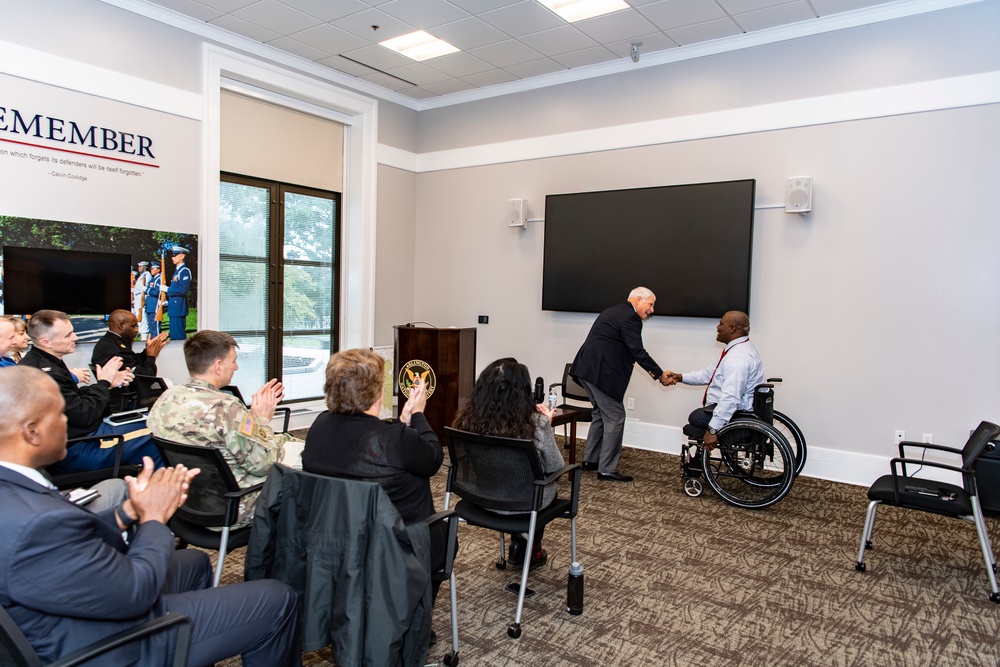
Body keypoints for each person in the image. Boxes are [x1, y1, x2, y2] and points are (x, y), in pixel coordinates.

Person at [0, 365, 302, 667]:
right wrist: (153, 518)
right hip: (108, 643)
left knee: (196, 562)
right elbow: (137, 592)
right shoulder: (35, 521)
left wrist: (126, 511)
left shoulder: (14, 489)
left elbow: (61, 540)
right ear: (32, 431)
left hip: (69, 605)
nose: (67, 422)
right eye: (60, 414)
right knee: (278, 598)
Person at [301, 348, 450, 601]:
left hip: (335, 537)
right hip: (394, 545)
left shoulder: (319, 426)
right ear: (377, 393)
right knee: (446, 536)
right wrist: (418, 414)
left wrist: (403, 426)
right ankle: (415, 615)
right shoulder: (395, 439)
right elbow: (433, 458)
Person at [146, 330, 299, 526]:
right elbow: (264, 464)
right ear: (218, 366)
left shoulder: (166, 398)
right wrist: (261, 420)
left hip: (186, 500)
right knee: (308, 476)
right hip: (235, 504)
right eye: (233, 360)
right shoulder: (226, 407)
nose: (236, 367)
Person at [452, 357, 565, 569]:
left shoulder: (467, 421)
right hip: (524, 503)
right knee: (544, 486)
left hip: (482, 496)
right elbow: (555, 467)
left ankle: (519, 544)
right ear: (523, 392)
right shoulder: (536, 424)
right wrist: (546, 425)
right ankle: (530, 548)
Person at [19, 310, 163, 473]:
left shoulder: (39, 362)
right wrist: (104, 382)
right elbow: (85, 414)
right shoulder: (48, 373)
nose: (75, 338)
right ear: (46, 342)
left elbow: (72, 402)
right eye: (68, 335)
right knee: (159, 433)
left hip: (73, 440)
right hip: (78, 447)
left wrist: (107, 384)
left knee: (151, 425)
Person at [569, 286, 675, 482]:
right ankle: (607, 469)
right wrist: (659, 374)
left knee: (600, 414)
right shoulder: (630, 317)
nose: (652, 310)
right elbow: (637, 351)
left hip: (587, 370)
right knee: (616, 417)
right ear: (637, 300)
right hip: (601, 373)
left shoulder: (614, 310)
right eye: (650, 305)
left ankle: (590, 460)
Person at [664, 311, 764, 449]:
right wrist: (681, 377)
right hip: (740, 407)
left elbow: (731, 397)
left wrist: (712, 429)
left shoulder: (736, 358)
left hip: (739, 412)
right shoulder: (739, 349)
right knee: (698, 416)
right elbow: (709, 374)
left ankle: (728, 436)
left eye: (721, 323)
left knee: (696, 417)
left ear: (732, 328)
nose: (717, 327)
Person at [92, 309, 169, 377]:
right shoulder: (118, 350)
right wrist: (151, 357)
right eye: (133, 326)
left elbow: (131, 360)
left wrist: (146, 352)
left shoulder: (106, 341)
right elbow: (146, 377)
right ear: (120, 326)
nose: (136, 330)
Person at [160, 245, 192, 340]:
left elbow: (183, 290)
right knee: (174, 335)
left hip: (178, 308)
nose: (172, 257)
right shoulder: (177, 271)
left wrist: (167, 289)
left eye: (175, 255)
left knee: (178, 336)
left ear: (182, 256)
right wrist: (168, 301)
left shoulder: (184, 271)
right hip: (174, 307)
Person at [133, 260, 151, 337]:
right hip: (137, 299)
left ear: (144, 267)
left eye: (140, 266)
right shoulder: (141, 276)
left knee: (143, 318)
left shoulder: (147, 275)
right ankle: (142, 334)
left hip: (142, 298)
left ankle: (144, 337)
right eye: (138, 266)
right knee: (139, 318)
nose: (138, 268)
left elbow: (146, 287)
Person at [145, 261, 163, 338]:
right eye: (151, 269)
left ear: (158, 270)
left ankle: (157, 341)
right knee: (151, 326)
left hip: (154, 306)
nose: (151, 270)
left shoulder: (159, 279)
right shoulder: (153, 279)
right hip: (150, 306)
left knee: (155, 326)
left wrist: (147, 290)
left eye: (153, 269)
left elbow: (156, 292)